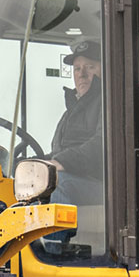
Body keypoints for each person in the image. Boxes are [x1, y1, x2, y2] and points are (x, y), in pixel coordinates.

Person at [47, 39, 104, 191]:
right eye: (77, 69)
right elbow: (57, 154)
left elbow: (102, 144)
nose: (82, 75)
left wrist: (63, 162)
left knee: (56, 185)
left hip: (99, 184)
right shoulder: (70, 112)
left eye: (90, 67)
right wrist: (31, 163)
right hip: (72, 177)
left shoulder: (110, 103)